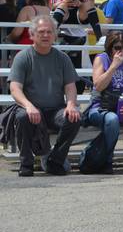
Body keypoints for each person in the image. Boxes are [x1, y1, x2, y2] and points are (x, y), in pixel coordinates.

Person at [9, 16, 82, 177]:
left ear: (55, 35)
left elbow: (70, 87)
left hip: (55, 110)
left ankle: (55, 160)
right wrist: (28, 106)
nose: (45, 35)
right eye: (41, 32)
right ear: (32, 35)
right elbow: (15, 88)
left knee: (74, 117)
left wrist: (71, 105)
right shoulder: (22, 57)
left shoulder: (63, 58)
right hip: (31, 108)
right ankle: (26, 163)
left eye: (49, 32)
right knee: (22, 117)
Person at [87, 31, 123, 174]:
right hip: (100, 107)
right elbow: (98, 86)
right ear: (110, 47)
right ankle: (107, 161)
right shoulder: (101, 59)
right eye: (118, 47)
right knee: (112, 119)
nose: (122, 51)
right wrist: (113, 66)